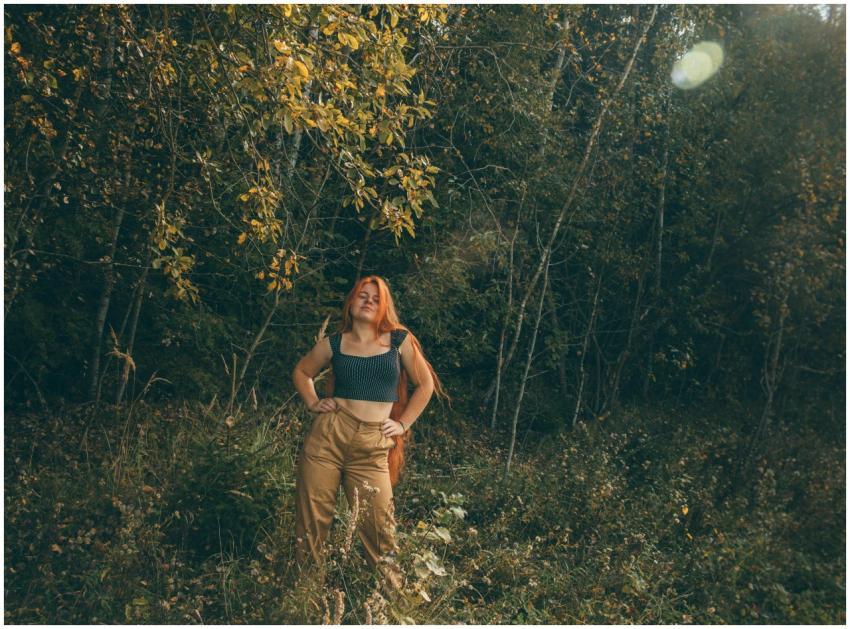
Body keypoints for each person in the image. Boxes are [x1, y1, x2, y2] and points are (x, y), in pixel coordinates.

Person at [291, 275, 449, 592]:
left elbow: (426, 385)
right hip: (328, 437)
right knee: (311, 527)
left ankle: (393, 607)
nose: (368, 301)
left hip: (372, 445)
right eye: (362, 295)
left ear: (384, 307)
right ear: (351, 302)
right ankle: (304, 603)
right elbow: (302, 372)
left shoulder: (398, 341)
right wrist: (313, 402)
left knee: (380, 532)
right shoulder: (334, 343)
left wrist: (402, 424)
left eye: (376, 299)